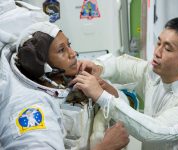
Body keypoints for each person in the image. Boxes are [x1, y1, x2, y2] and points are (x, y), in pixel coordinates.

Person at [0, 1, 129, 149]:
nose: (73, 53)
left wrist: (105, 90)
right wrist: (105, 147)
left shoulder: (66, 78)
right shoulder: (31, 109)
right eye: (62, 50)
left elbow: (125, 107)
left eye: (69, 45)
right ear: (42, 64)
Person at [71, 17, 178, 150]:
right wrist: (98, 67)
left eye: (168, 48)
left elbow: (155, 131)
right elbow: (121, 65)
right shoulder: (155, 74)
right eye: (159, 43)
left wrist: (102, 96)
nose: (157, 52)